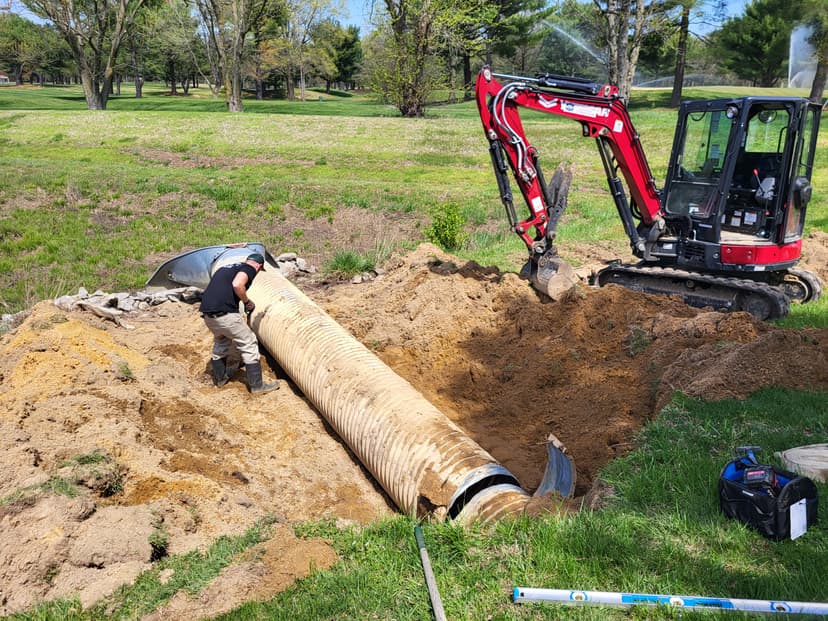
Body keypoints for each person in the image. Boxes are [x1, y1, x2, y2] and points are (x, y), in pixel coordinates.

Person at [199, 252, 280, 394]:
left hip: (208, 315)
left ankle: (220, 378)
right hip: (225, 314)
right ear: (258, 266)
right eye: (259, 270)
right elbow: (237, 284)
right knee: (249, 343)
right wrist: (247, 302)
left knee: (221, 341)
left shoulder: (225, 268)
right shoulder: (249, 268)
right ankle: (257, 386)